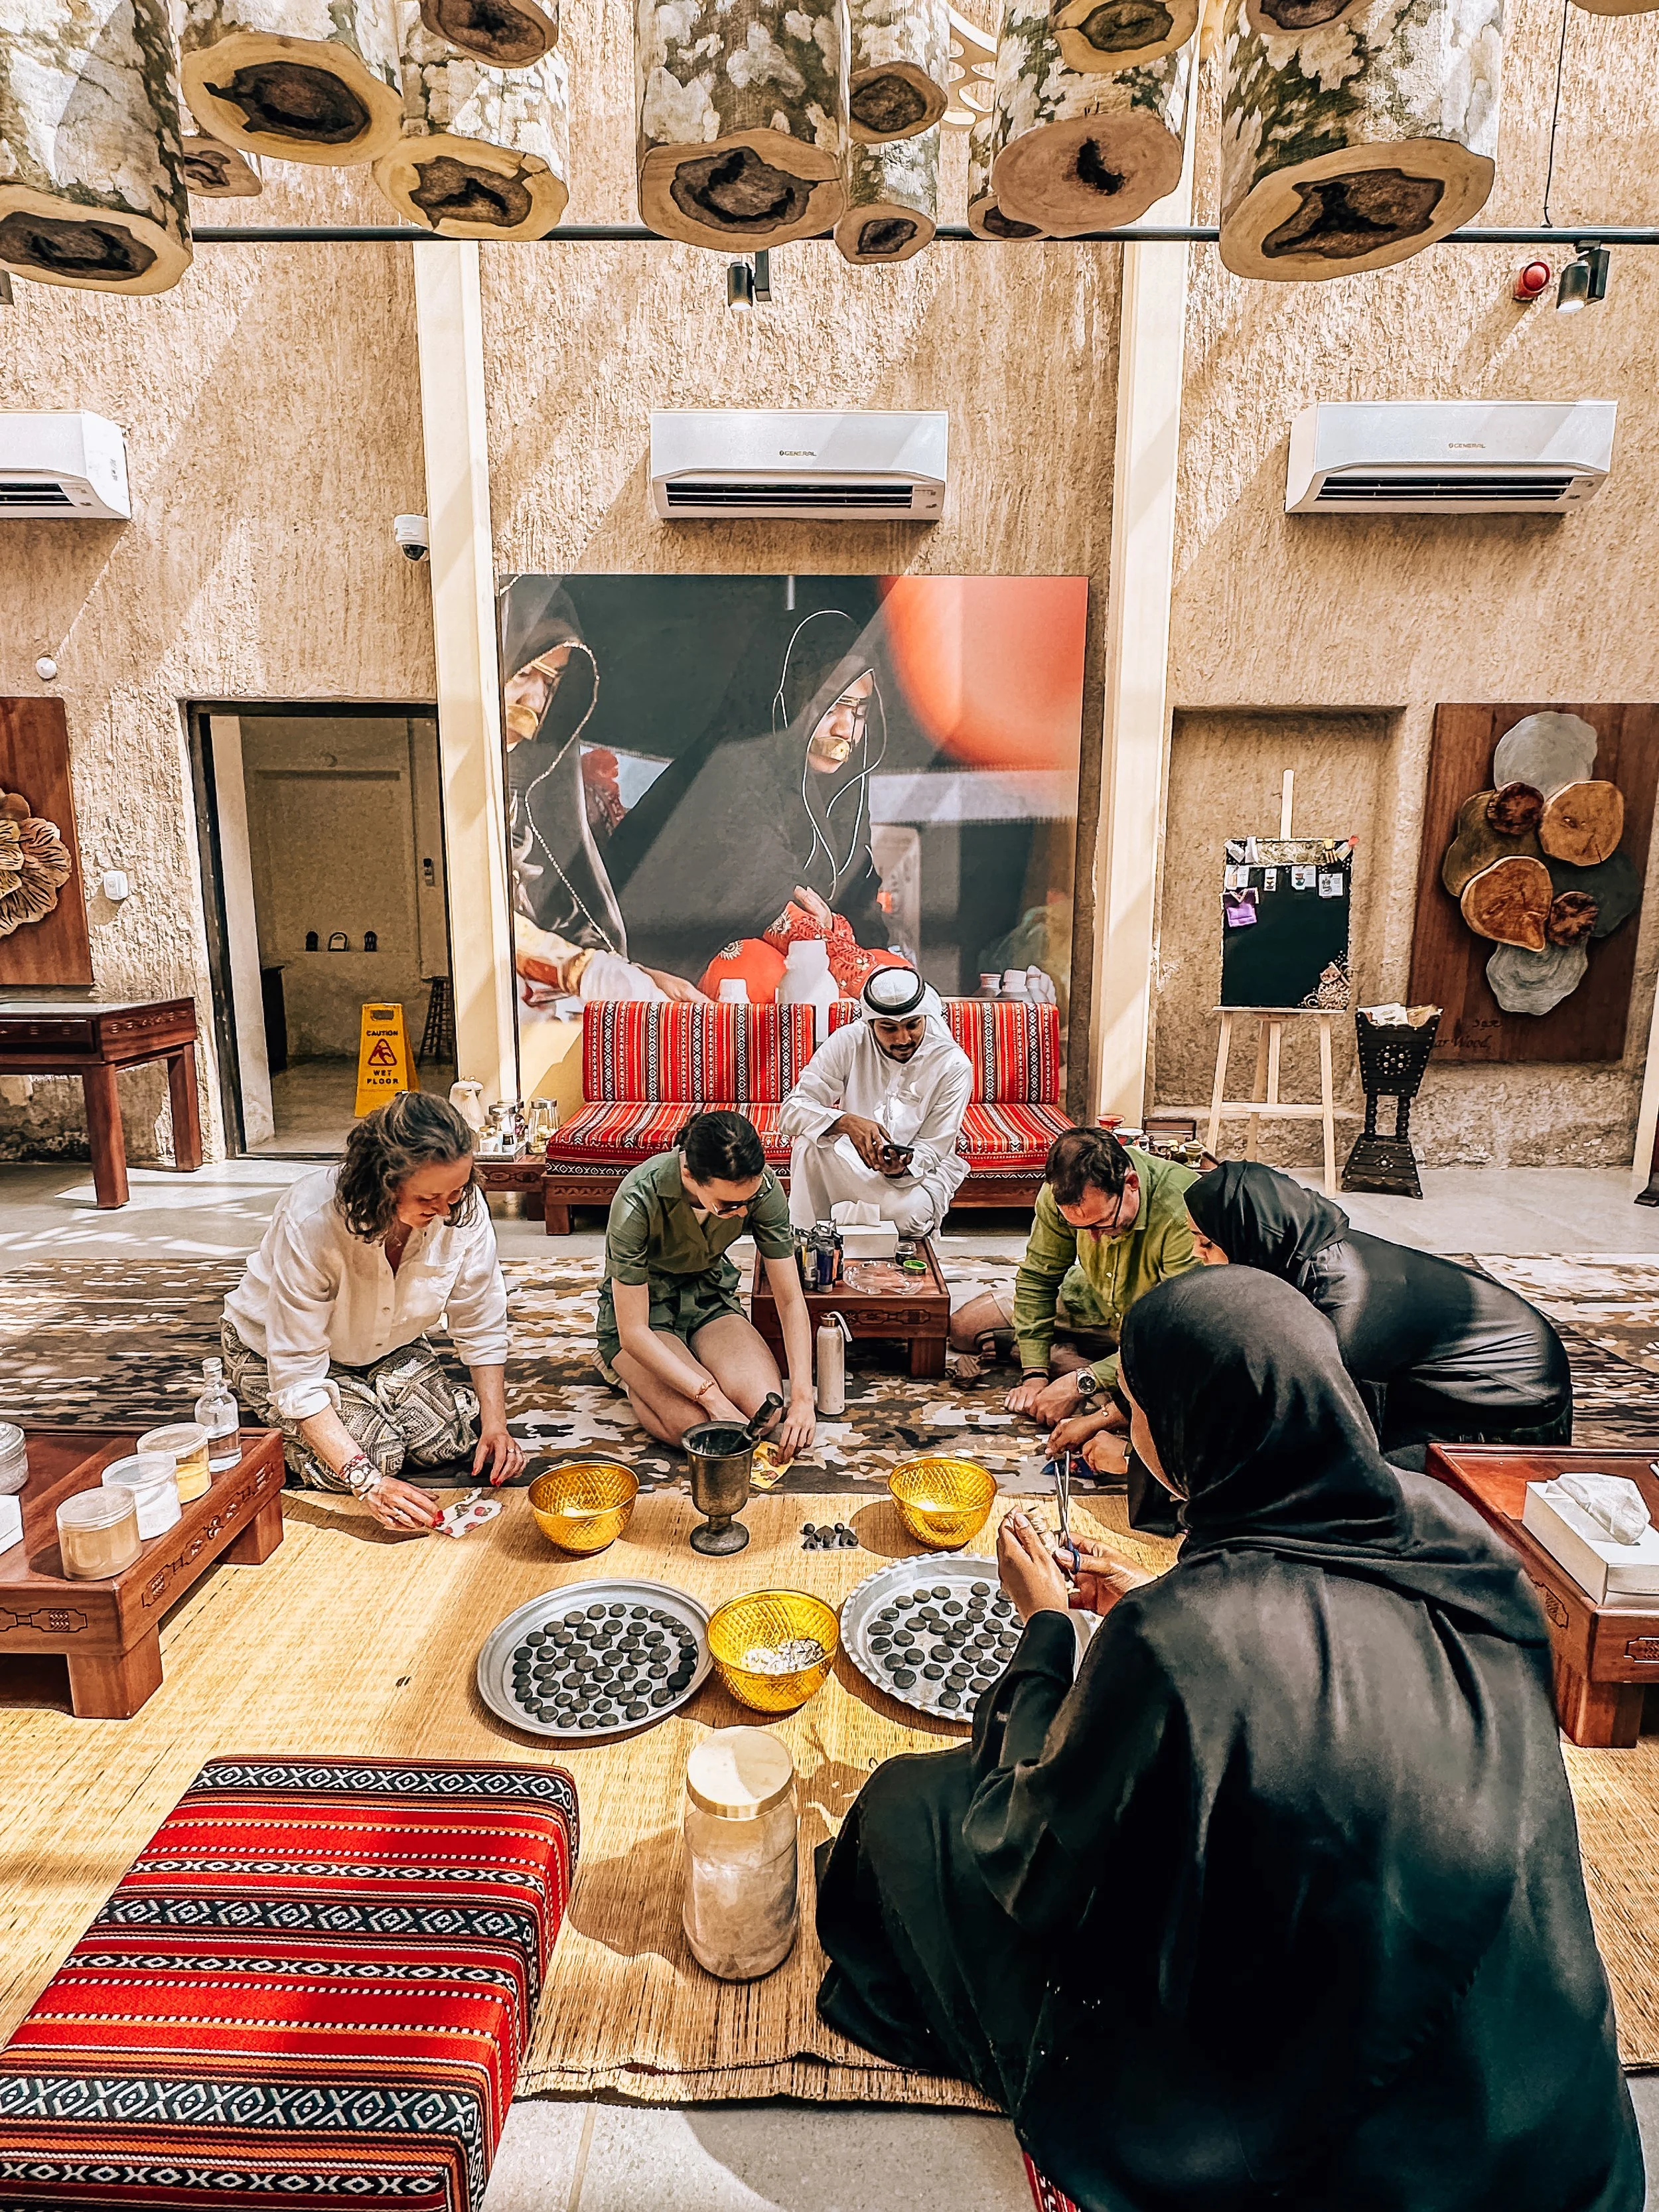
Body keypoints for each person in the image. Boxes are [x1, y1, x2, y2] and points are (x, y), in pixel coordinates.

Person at [815, 1268, 1642, 2212]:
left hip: (1327, 2156)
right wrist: (1162, 1603)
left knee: (907, 1809)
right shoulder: (1456, 1535)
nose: (1127, 1429)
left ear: (1190, 1425)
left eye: (1134, 1409)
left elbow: (1032, 1853)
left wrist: (1046, 1630)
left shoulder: (1181, 1640)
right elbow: (1314, 1700)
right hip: (1555, 2134)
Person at [222, 1093, 523, 1535]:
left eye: (457, 1190)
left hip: (386, 1343)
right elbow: (299, 1375)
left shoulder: (461, 1206)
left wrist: (496, 1425)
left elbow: (481, 1318)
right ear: (382, 1184)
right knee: (380, 1458)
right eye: (429, 1196)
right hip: (273, 1349)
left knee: (447, 1441)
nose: (447, 1209)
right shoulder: (312, 1220)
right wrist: (368, 1482)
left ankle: (370, 1397)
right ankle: (282, 1430)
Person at [1185, 1159, 1572, 1457]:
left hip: (1507, 1408)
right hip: (1438, 1388)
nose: (1196, 1254)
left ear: (1249, 1235)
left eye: (1205, 1243)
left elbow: (1335, 1417)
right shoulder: (1299, 1250)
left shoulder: (1347, 1291)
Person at [605, 607, 893, 988]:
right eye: (830, 704)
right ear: (788, 696)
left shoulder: (844, 793)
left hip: (808, 962)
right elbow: (766, 905)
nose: (845, 730)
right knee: (760, 970)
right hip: (678, 969)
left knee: (889, 967)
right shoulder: (733, 772)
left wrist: (843, 933)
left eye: (859, 710)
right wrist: (870, 978)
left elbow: (862, 911)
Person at [950, 1128, 1198, 1527]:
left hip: (1154, 1329)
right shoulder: (1060, 1196)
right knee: (964, 1327)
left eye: (1103, 1224)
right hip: (1092, 1300)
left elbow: (1180, 1337)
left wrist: (1083, 1381)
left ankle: (1084, 1365)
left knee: (1133, 1410)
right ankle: (1062, 1357)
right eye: (1082, 1229)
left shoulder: (1184, 1209)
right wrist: (1034, 1373)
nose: (1096, 1241)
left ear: (1130, 1184)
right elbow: (1038, 1277)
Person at [500, 577, 705, 1005]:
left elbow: (549, 914)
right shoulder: (456, 783)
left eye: (550, 684)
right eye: (524, 674)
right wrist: (580, 969)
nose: (535, 703)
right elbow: (476, 920)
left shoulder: (518, 800)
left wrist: (632, 972)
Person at [599, 1109, 817, 1456]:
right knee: (701, 1427)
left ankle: (679, 1365)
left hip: (708, 1295)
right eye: (730, 1205)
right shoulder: (638, 1197)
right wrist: (711, 1395)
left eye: (749, 1200)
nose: (744, 1213)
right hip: (644, 1310)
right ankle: (627, 1374)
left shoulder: (762, 1189)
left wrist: (804, 1398)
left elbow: (790, 1300)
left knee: (765, 1412)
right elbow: (634, 1330)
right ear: (689, 1173)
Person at [776, 965, 972, 1237]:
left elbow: (933, 1147)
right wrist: (845, 1122)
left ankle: (842, 1222)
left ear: (926, 1017)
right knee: (808, 1147)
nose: (903, 1039)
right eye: (889, 1028)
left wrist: (900, 1167)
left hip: (917, 1175)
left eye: (913, 1025)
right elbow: (791, 1111)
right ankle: (812, 1240)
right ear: (871, 1024)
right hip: (853, 1161)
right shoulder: (849, 1041)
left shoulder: (952, 1064)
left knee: (909, 1216)